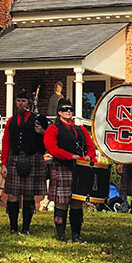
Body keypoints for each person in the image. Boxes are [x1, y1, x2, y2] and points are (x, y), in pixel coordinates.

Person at [43, 101, 96, 242]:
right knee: (62, 202)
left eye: (70, 109)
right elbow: (52, 148)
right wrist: (71, 156)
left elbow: (90, 146)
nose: (68, 112)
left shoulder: (80, 129)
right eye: (65, 109)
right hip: (62, 166)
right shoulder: (53, 129)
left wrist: (89, 156)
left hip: (79, 168)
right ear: (59, 112)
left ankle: (76, 235)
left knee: (77, 201)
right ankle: (61, 236)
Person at [0, 89, 48, 235]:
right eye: (18, 101)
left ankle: (26, 228)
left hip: (32, 157)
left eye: (23, 101)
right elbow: (6, 142)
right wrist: (3, 163)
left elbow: (48, 140)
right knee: (13, 195)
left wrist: (42, 132)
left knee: (28, 195)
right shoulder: (11, 121)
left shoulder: (37, 119)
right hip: (15, 158)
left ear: (29, 103)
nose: (20, 104)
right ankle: (13, 227)